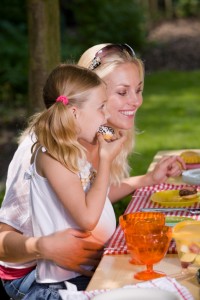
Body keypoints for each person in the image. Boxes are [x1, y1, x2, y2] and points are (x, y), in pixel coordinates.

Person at [0, 43, 185, 299]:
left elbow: (85, 196)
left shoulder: (99, 133)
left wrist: (147, 179)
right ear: (85, 95)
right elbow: (2, 240)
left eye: (138, 90)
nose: (135, 101)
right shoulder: (46, 145)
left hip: (81, 269)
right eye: (121, 92)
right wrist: (43, 247)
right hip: (38, 277)